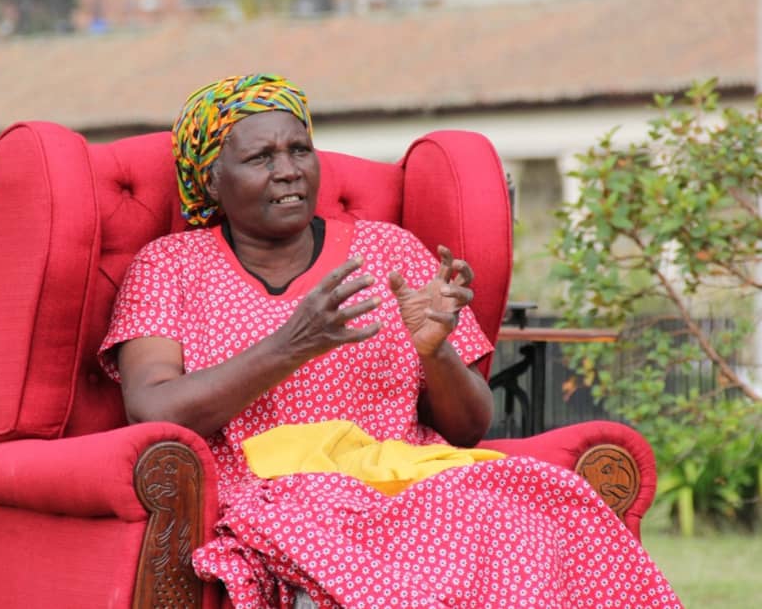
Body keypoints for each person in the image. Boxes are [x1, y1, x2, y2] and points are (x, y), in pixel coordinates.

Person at [99, 74, 681, 608]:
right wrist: (290, 345)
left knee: (545, 501)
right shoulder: (170, 265)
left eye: (299, 149)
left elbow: (469, 428)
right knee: (351, 531)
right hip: (274, 491)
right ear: (210, 178)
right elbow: (152, 408)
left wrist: (437, 353)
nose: (288, 170)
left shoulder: (389, 250)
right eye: (259, 157)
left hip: (412, 478)